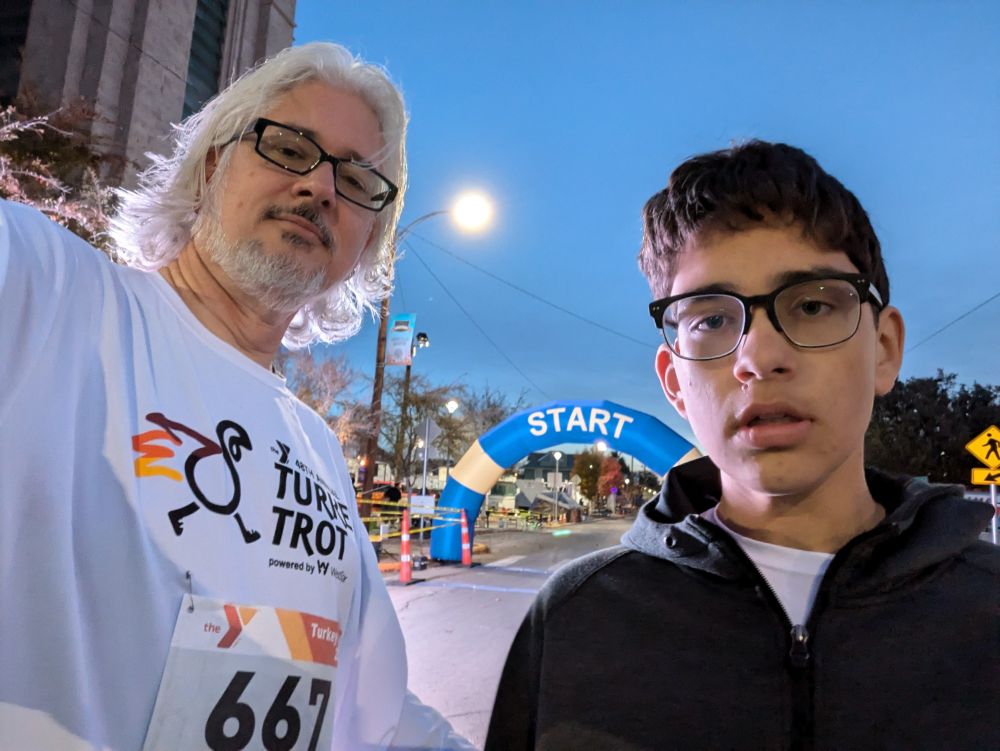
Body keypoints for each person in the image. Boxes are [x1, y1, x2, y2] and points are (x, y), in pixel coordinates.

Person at [0, 42, 473, 750]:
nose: (321, 188)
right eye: (289, 147)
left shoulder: (317, 451)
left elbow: (368, 713)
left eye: (356, 180)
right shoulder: (51, 296)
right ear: (215, 160)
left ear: (368, 237)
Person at [486, 141, 999, 750]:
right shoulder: (574, 622)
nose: (759, 358)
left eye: (812, 304)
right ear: (674, 381)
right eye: (711, 319)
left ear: (884, 349)